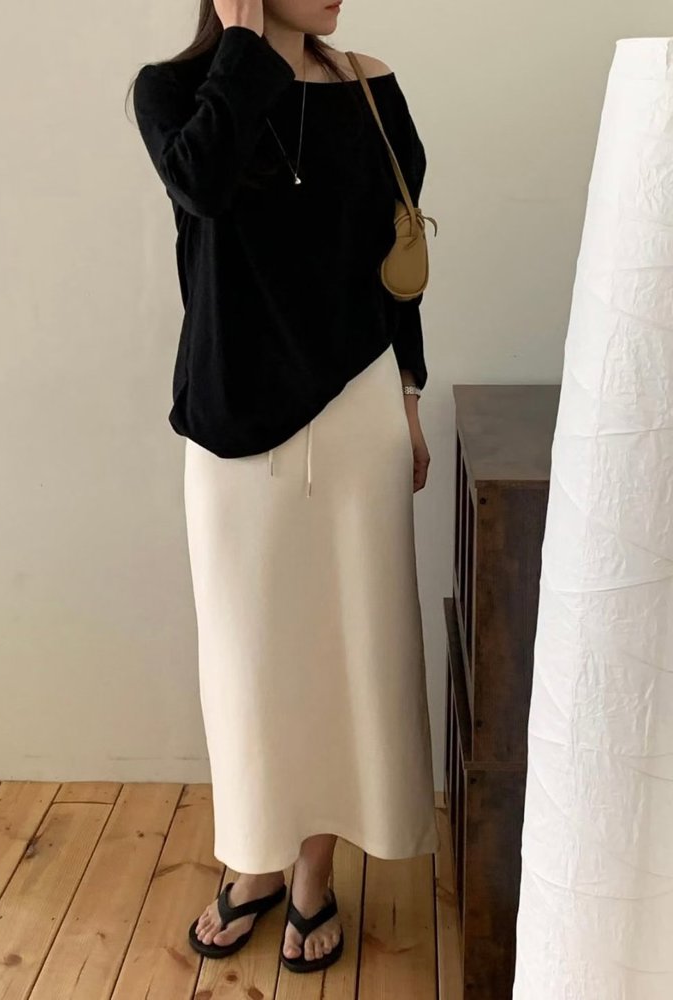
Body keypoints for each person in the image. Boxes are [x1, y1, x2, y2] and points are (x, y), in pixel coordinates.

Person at [131, 0, 440, 975]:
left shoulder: (369, 86)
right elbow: (202, 182)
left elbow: (396, 256)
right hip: (234, 423)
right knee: (249, 661)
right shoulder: (174, 91)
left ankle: (311, 871)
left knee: (347, 651)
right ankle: (255, 860)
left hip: (356, 409)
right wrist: (243, 46)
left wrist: (408, 393)